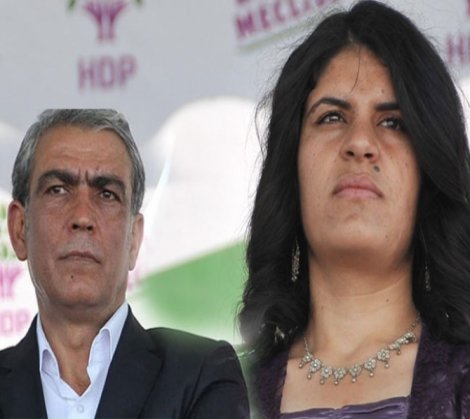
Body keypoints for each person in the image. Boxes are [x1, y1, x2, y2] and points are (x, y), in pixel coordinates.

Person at [238, 1, 470, 418]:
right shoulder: (224, 392)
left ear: (428, 176)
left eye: (393, 123)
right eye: (331, 118)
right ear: (292, 167)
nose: (360, 142)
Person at [0, 109, 249, 419]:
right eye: (58, 190)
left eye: (107, 194)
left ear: (134, 238)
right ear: (19, 228)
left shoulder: (201, 375)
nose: (82, 217)